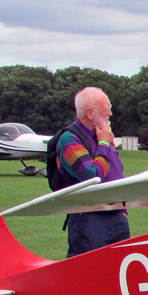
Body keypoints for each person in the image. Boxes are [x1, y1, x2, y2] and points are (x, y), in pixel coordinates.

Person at [56, 87, 129, 257]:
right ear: (90, 113)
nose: (110, 113)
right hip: (90, 219)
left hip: (116, 216)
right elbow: (92, 176)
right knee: (91, 274)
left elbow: (117, 172)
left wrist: (123, 213)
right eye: (106, 109)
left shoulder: (102, 135)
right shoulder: (69, 139)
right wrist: (104, 144)